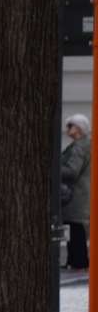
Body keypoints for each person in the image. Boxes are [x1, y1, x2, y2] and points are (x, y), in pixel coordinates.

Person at [64, 116, 91, 271]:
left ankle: (77, 262)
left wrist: (55, 168)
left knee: (74, 226)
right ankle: (76, 261)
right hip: (79, 192)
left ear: (79, 128)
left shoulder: (79, 147)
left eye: (70, 126)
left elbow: (72, 171)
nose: (67, 129)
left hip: (75, 193)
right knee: (75, 225)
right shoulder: (83, 145)